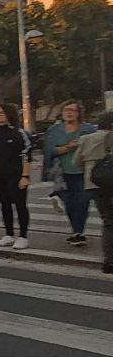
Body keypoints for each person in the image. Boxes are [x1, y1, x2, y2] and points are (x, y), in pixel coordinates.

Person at [42, 99, 96, 247]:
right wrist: (67, 148)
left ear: (79, 113)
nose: (69, 112)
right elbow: (49, 150)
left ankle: (79, 232)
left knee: (82, 202)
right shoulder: (55, 130)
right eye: (66, 110)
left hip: (83, 172)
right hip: (62, 173)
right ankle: (75, 231)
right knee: (69, 203)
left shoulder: (89, 129)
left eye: (73, 110)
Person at [0, 103, 33, 250]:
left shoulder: (19, 133)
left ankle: (23, 236)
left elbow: (27, 155)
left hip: (16, 174)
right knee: (4, 204)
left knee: (20, 204)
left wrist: (25, 176)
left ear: (9, 114)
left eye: (1, 112)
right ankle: (8, 234)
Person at [73, 112, 113, 274]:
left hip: (95, 185)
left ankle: (109, 261)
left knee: (108, 221)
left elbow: (76, 163)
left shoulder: (86, 139)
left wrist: (92, 171)